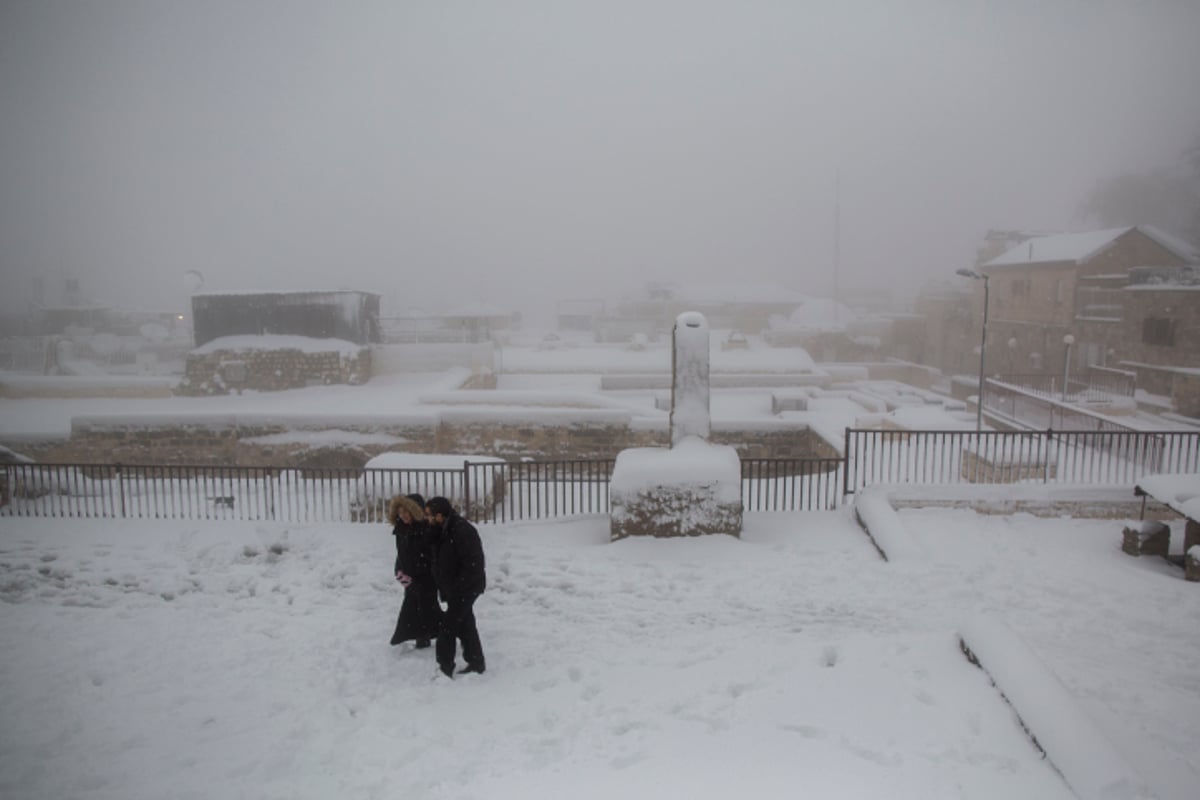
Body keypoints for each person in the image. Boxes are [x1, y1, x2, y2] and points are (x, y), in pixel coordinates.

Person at [424, 496, 487, 677]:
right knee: (465, 624)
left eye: (430, 515)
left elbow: (473, 564)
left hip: (466, 588)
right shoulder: (440, 530)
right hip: (454, 588)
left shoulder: (462, 531)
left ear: (440, 515)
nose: (427, 519)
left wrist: (458, 588)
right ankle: (476, 662)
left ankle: (445, 667)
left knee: (447, 626)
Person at [388, 493, 442, 648]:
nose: (403, 515)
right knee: (415, 608)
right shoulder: (401, 530)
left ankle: (429, 635)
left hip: (426, 577)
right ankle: (427, 634)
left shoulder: (425, 530)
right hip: (410, 577)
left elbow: (432, 554)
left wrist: (429, 574)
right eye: (400, 512)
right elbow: (402, 554)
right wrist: (399, 571)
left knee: (426, 607)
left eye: (406, 512)